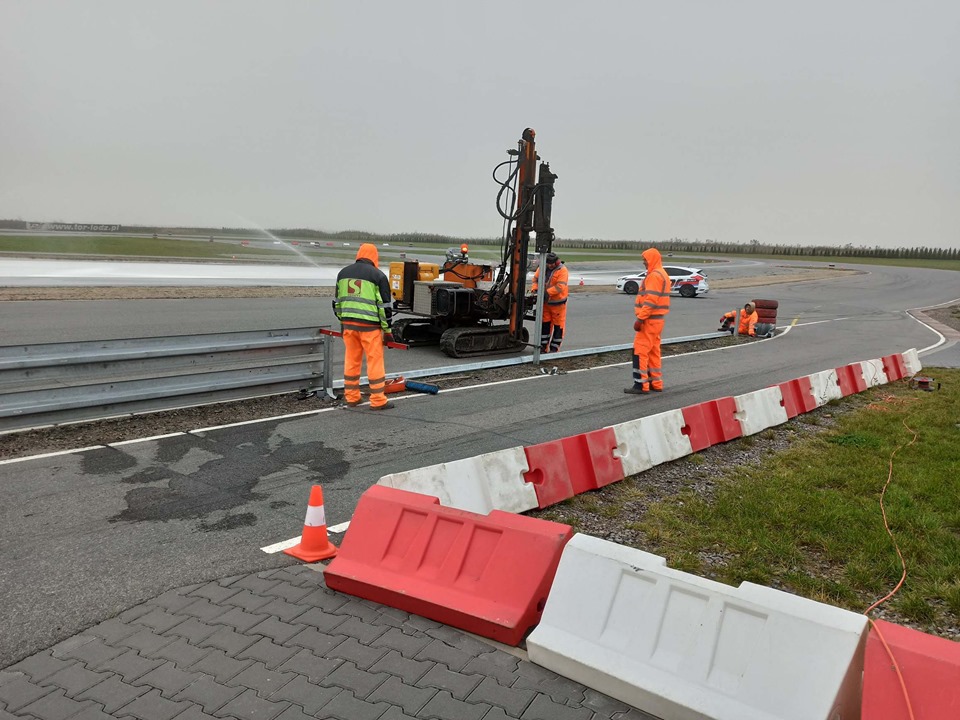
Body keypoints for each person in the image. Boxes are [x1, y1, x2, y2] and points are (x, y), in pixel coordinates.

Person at [333, 243, 395, 410]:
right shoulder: (378, 276)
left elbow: (337, 303)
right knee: (375, 361)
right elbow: (384, 308)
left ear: (359, 254)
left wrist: (342, 322)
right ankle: (378, 400)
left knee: (351, 359)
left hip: (348, 325)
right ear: (375, 257)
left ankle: (352, 397)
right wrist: (387, 330)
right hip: (370, 327)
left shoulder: (343, 273)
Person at [625, 247, 670, 394]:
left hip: (649, 321)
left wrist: (640, 318)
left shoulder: (654, 276)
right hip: (657, 321)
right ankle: (655, 383)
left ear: (651, 259)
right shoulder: (662, 274)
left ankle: (640, 384)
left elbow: (650, 300)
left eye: (645, 259)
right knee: (653, 352)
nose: (644, 262)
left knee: (640, 351)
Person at [530, 252, 569, 353]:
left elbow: (560, 287)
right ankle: (543, 347)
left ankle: (554, 349)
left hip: (558, 304)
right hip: (545, 303)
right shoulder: (542, 268)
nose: (550, 265)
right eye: (548, 263)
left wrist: (546, 292)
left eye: (552, 263)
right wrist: (535, 290)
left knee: (558, 326)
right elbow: (535, 280)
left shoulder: (562, 270)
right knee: (545, 325)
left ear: (556, 262)